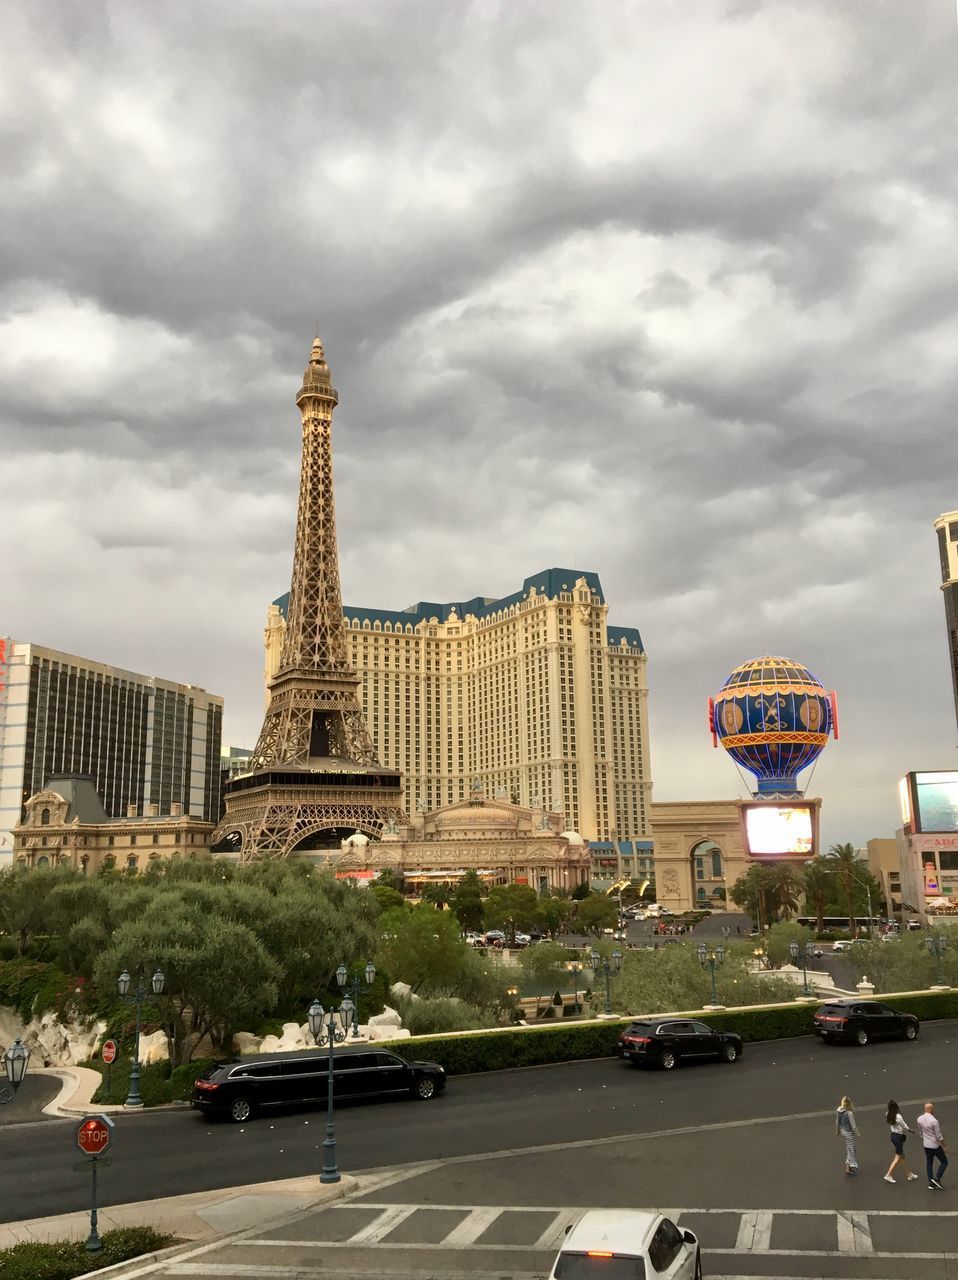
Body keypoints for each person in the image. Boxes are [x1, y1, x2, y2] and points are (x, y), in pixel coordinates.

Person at [884, 1100, 919, 1184]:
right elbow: (904, 1126)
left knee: (902, 1156)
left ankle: (909, 1174)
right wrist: (911, 1131)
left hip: (893, 1136)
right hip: (899, 1137)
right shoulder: (898, 1116)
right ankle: (888, 1175)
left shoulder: (887, 1114)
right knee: (898, 1157)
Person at [917, 1102, 949, 1190]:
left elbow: (920, 1131)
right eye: (933, 1109)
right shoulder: (934, 1121)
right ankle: (937, 1178)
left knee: (929, 1163)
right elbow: (939, 1136)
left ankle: (931, 1182)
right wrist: (944, 1146)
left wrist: (923, 1138)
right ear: (931, 1109)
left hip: (926, 1145)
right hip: (935, 1145)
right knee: (944, 1162)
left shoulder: (919, 1119)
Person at [836, 1096, 860, 1176]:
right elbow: (853, 1126)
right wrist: (858, 1134)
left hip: (843, 1131)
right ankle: (848, 1168)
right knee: (851, 1150)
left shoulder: (839, 1110)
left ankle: (848, 1168)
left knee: (849, 1148)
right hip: (848, 1132)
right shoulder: (849, 1113)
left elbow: (837, 1121)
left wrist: (837, 1130)